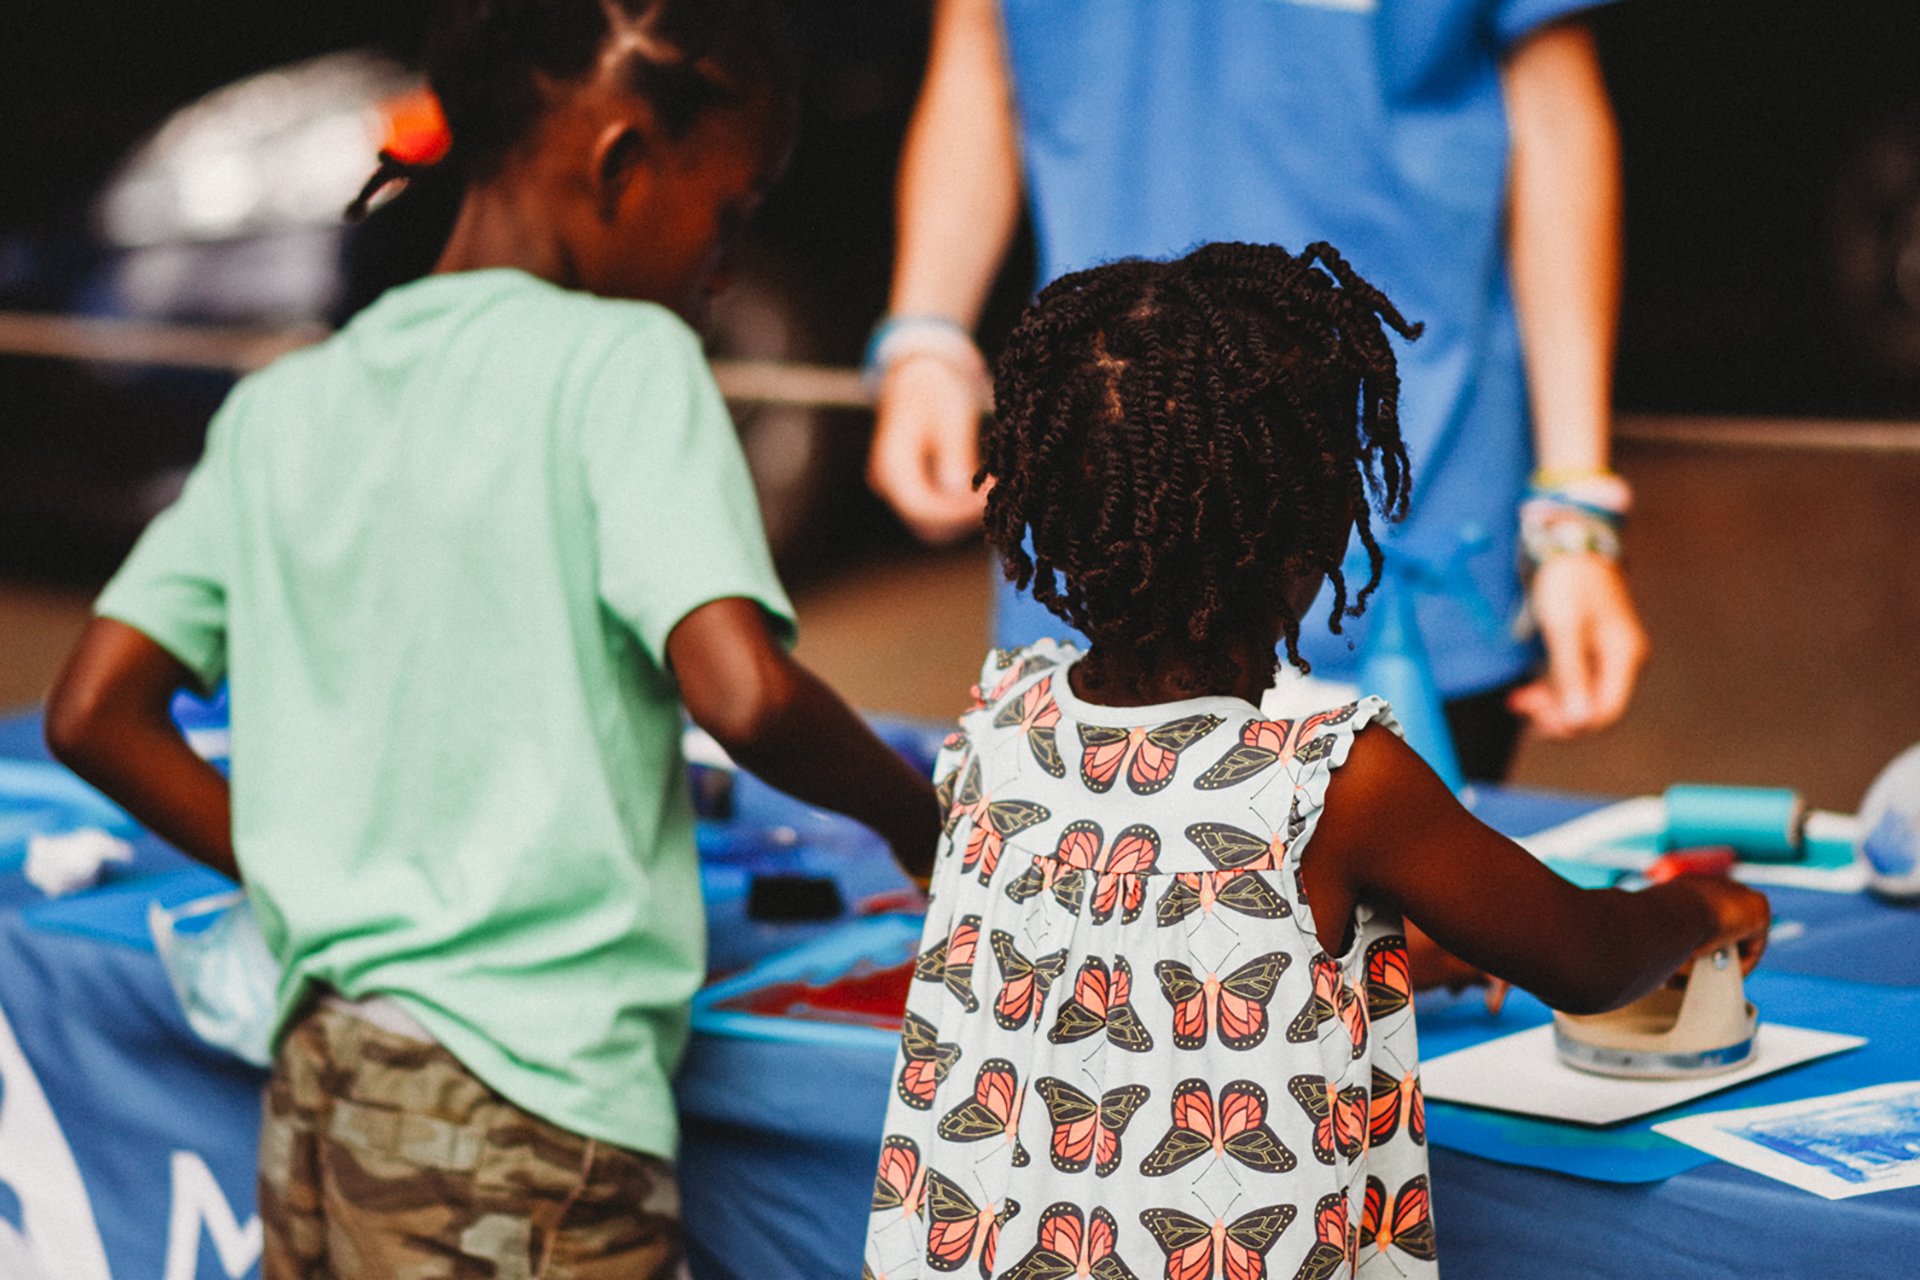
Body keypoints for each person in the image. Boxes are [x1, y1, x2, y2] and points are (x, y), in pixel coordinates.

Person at [44, 1, 942, 1275]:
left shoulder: (287, 401)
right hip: (527, 1131)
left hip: (315, 1092)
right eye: (730, 212)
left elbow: (93, 709)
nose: (727, 266)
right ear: (624, 161)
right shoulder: (625, 360)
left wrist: (317, 870)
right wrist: (921, 818)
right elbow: (742, 692)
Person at [863, 244, 1767, 1279]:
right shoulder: (1331, 777)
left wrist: (1415, 952)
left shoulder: (998, 725)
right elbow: (1590, 958)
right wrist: (1710, 912)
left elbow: (1153, 947)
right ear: (1325, 514)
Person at [864, 0, 1648, 781]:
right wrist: (926, 333)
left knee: (1397, 877)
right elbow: (978, 58)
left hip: (1413, 527)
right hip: (1105, 508)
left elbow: (1554, 118)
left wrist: (1572, 505)